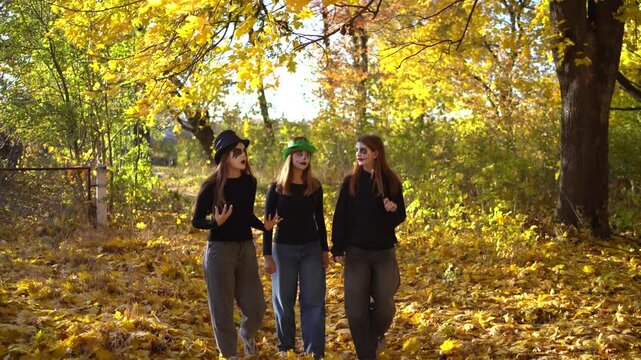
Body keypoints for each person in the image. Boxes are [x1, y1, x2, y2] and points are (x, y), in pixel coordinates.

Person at [192, 129, 280, 360]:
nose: (244, 155)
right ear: (225, 156)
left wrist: (264, 226)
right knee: (222, 309)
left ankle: (246, 333)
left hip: (245, 248)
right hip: (219, 251)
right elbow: (197, 220)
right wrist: (215, 223)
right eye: (237, 151)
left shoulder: (250, 182)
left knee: (256, 306)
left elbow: (246, 214)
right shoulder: (210, 186)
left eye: (244, 151)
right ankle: (230, 354)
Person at [331, 135, 406, 360]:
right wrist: (337, 248)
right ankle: (366, 355)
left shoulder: (391, 181)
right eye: (357, 150)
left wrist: (392, 210)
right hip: (356, 253)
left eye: (364, 150)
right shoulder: (350, 181)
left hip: (383, 252)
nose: (359, 154)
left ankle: (373, 337)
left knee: (385, 307)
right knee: (355, 309)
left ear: (376, 153)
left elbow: (400, 215)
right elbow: (340, 216)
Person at [263, 137, 329, 359]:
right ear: (290, 157)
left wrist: (324, 250)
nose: (304, 158)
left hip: (311, 248)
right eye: (299, 154)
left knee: (314, 300)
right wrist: (267, 255)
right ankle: (286, 349)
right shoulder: (276, 188)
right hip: (283, 249)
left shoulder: (315, 186)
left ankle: (315, 352)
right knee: (284, 301)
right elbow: (267, 223)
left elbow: (319, 219)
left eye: (307, 155)